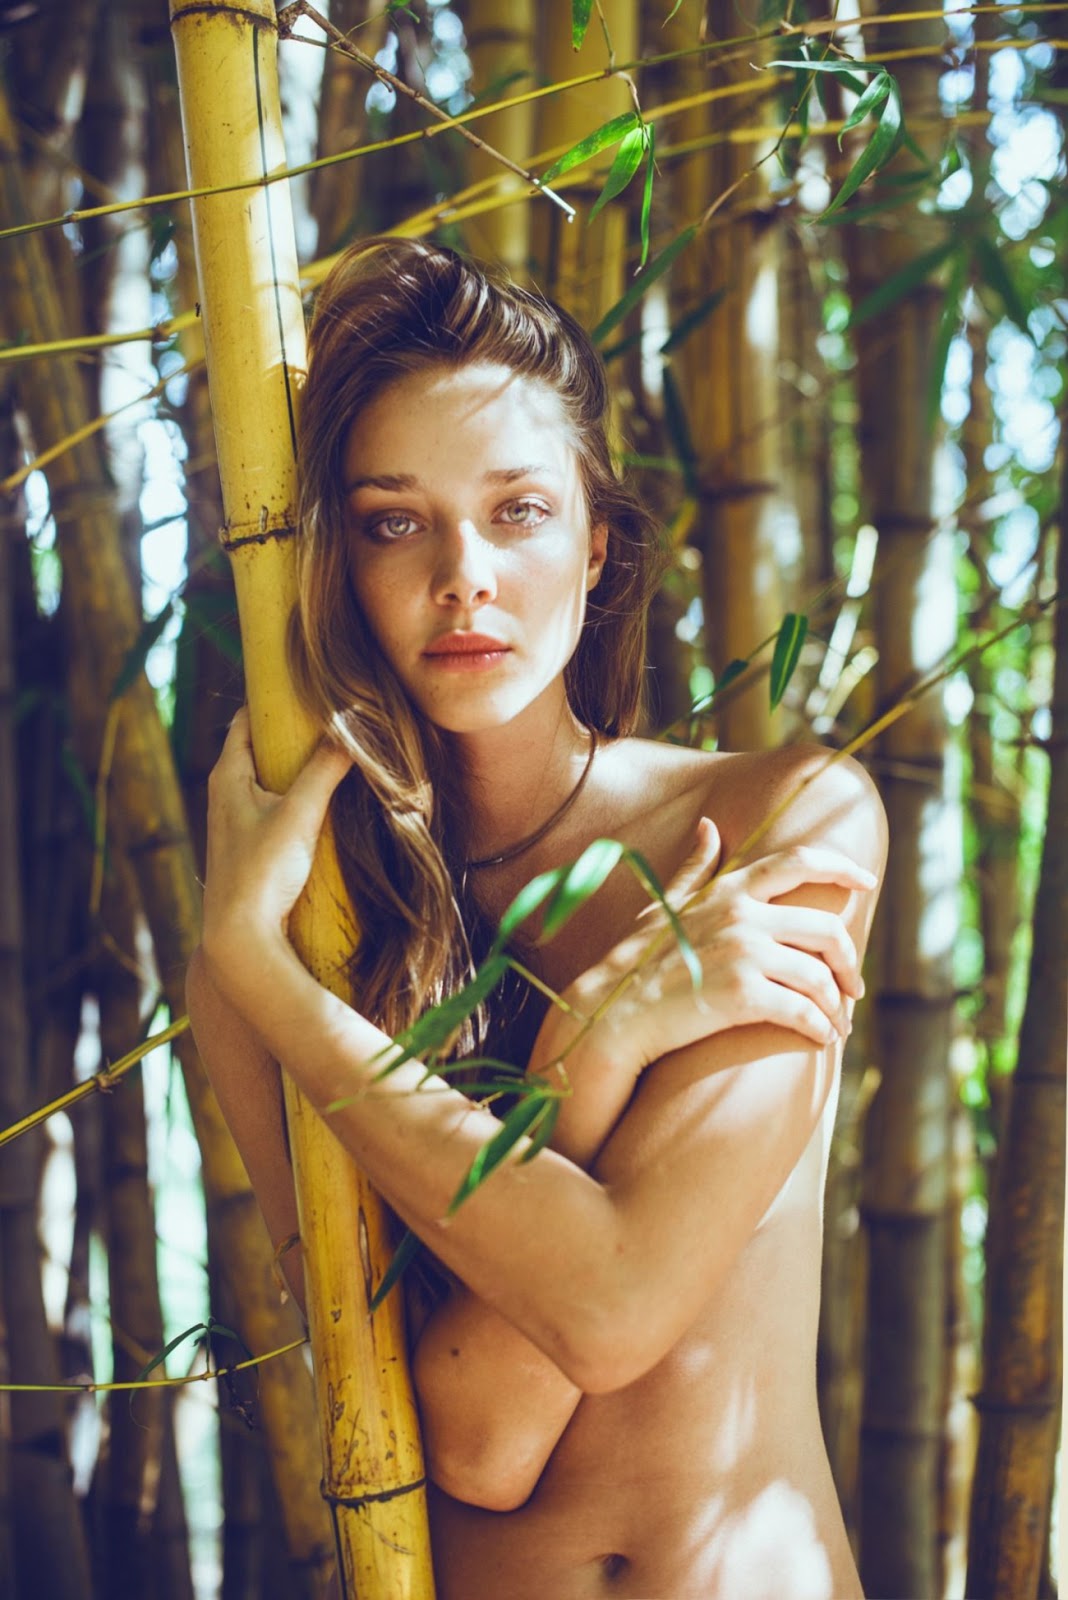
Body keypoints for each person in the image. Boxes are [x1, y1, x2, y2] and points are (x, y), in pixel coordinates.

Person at [187, 236, 886, 1600]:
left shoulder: (777, 821)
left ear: (596, 541)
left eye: (517, 510)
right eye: (395, 522)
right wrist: (591, 1048)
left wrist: (274, 992)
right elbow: (477, 1439)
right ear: (336, 563)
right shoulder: (298, 942)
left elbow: (611, 1305)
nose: (465, 576)